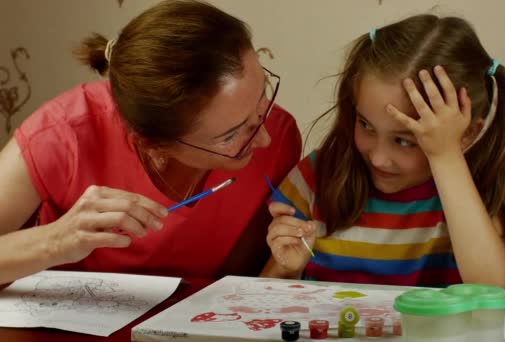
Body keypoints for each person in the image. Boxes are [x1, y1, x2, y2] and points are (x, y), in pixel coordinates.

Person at [0, 0, 301, 286]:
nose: (264, 137)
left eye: (263, 95)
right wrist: (57, 240)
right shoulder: (63, 133)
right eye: (230, 135)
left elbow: (240, 283)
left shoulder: (279, 136)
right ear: (152, 144)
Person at [261, 15, 505, 288]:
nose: (378, 157)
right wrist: (286, 270)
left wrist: (445, 157)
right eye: (365, 125)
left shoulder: (475, 191)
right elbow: (259, 298)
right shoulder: (315, 178)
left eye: (405, 141)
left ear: (466, 134)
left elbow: (489, 287)